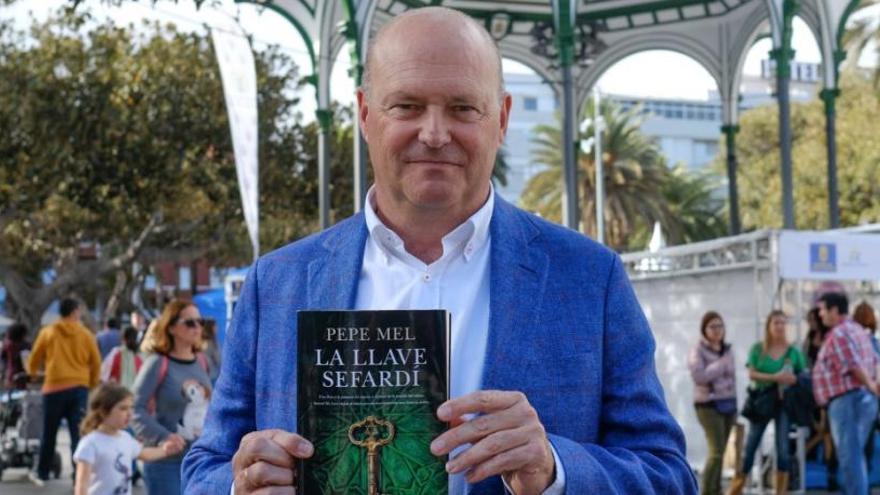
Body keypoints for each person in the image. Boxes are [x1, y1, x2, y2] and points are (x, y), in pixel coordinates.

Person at [182, 7, 696, 495]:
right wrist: (238, 483)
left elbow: (669, 475)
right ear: (365, 114)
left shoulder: (588, 278)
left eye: (462, 108)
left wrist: (553, 469)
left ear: (501, 118)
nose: (433, 133)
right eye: (406, 106)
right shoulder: (277, 282)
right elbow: (203, 468)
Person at [132, 299, 211, 495]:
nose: (197, 327)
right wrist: (164, 436)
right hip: (165, 462)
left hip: (198, 460)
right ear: (172, 327)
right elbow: (135, 408)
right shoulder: (157, 363)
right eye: (190, 322)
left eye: (200, 321)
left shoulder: (202, 360)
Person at [26, 297, 102, 486]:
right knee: (77, 434)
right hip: (79, 388)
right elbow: (96, 362)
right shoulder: (86, 335)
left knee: (49, 433)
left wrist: (33, 374)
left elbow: (34, 357)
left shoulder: (48, 332)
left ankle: (43, 472)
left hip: (53, 387)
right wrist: (91, 383)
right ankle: (78, 473)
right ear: (75, 311)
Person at [728, 310, 806, 495]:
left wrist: (793, 379)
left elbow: (802, 375)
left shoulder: (793, 351)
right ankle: (736, 489)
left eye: (782, 323)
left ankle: (781, 490)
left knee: (783, 447)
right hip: (762, 401)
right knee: (751, 444)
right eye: (776, 322)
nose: (779, 326)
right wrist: (774, 377)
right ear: (769, 326)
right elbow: (751, 373)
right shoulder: (758, 348)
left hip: (784, 402)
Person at [813, 293, 879, 495]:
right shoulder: (858, 331)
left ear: (834, 310)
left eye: (823, 309)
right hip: (860, 401)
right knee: (855, 458)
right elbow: (876, 361)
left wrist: (870, 385)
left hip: (847, 401)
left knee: (850, 459)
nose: (820, 314)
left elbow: (852, 365)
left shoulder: (840, 333)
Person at [73, 383, 183, 495]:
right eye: (123, 408)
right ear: (103, 411)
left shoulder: (125, 438)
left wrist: (165, 450)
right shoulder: (90, 443)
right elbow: (82, 485)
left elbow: (143, 454)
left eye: (131, 408)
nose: (130, 413)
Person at [688, 311, 737, 495]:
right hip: (708, 406)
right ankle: (707, 491)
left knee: (721, 453)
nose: (717, 330)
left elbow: (732, 379)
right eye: (712, 326)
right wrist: (721, 364)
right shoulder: (697, 350)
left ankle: (716, 490)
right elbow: (699, 376)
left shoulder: (727, 349)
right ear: (704, 329)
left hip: (728, 404)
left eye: (720, 326)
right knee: (715, 451)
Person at [101, 326, 144, 390]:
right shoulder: (142, 356)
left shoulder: (116, 353)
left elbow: (104, 374)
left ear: (123, 338)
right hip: (134, 394)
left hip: (118, 393)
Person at [1, 322, 31, 390]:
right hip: (21, 375)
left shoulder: (7, 344)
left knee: (9, 394)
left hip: (9, 374)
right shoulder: (25, 345)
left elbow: (3, 358)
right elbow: (27, 362)